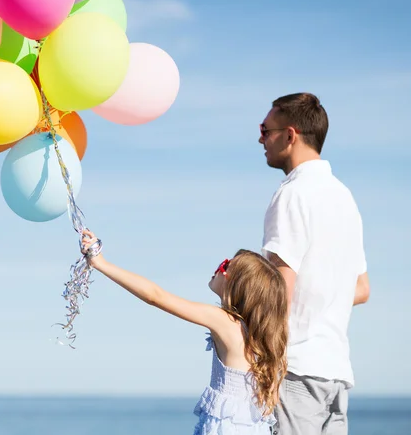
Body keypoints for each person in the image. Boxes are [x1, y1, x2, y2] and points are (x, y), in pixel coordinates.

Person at [80, 229, 289, 434]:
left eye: (225, 265)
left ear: (236, 284)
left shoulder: (225, 322)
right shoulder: (259, 341)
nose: (218, 267)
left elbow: (156, 296)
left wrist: (100, 263)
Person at [259, 92, 370, 435]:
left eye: (266, 129)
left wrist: (262, 361)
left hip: (297, 371)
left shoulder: (293, 193)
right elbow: (361, 288)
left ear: (290, 135)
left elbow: (282, 286)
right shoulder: (344, 196)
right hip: (336, 374)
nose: (260, 138)